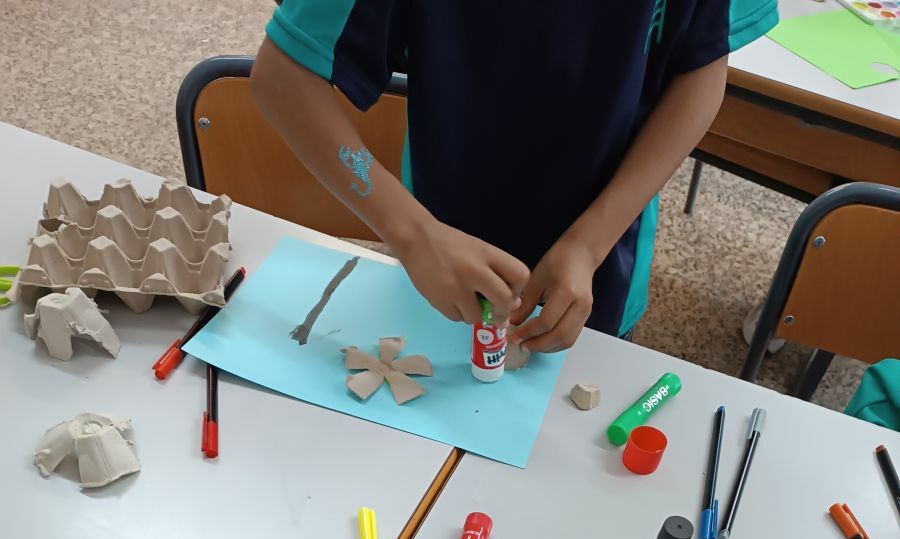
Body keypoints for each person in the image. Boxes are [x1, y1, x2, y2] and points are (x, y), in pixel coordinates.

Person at [251, 1, 776, 350]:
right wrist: (412, 232)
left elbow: (701, 65)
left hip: (605, 258)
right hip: (438, 249)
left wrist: (589, 244)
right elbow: (283, 75)